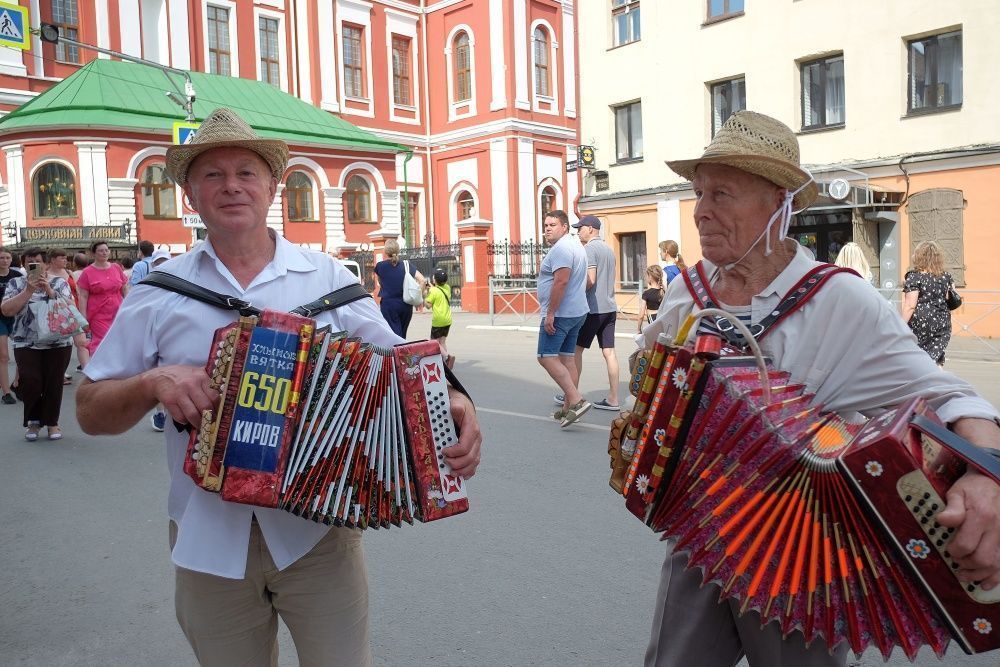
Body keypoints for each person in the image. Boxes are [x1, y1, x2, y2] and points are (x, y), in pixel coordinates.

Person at [76, 107, 481, 666]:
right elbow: (89, 410)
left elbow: (404, 365)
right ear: (190, 194)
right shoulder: (159, 291)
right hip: (207, 537)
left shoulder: (328, 279)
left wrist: (455, 400)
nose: (232, 186)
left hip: (319, 533)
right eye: (213, 175)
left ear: (272, 187)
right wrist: (152, 382)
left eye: (246, 172)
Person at [637, 110, 1000, 667]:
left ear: (778, 204)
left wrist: (986, 471)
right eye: (699, 192)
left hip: (798, 552)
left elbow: (949, 395)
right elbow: (651, 372)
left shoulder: (838, 300)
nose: (701, 211)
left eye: (722, 194)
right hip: (700, 527)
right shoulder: (688, 291)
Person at [1, 247, 75, 441]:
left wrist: (49, 290)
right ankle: (33, 421)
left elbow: (70, 307)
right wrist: (28, 291)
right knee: (31, 382)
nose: (33, 265)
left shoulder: (59, 282)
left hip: (58, 341)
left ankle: (52, 423)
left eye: (38, 262)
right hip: (26, 341)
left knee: (53, 383)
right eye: (29, 262)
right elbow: (6, 310)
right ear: (24, 264)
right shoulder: (16, 283)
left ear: (46, 264)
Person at [536, 210, 591, 427]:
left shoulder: (561, 249)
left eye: (553, 225)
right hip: (577, 311)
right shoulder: (576, 245)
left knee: (545, 357)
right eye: (546, 225)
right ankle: (569, 410)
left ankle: (576, 400)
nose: (547, 229)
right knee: (567, 359)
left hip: (561, 313)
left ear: (565, 227)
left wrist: (550, 313)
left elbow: (561, 281)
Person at [565, 215, 620, 411]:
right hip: (610, 308)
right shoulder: (608, 249)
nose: (578, 232)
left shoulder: (589, 249)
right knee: (609, 352)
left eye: (580, 228)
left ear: (590, 229)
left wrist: (573, 292)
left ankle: (572, 395)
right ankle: (613, 398)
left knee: (575, 351)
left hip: (593, 309)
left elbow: (590, 280)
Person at [902, 240, 955, 366]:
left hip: (921, 323)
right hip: (942, 322)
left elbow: (910, 305)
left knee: (917, 358)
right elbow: (951, 297)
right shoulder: (946, 276)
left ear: (918, 256)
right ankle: (938, 378)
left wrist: (900, 325)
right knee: (936, 359)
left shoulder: (914, 276)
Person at [77, 240, 128, 356]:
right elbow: (83, 296)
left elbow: (124, 288)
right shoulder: (87, 272)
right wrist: (83, 318)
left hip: (117, 311)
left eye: (106, 250)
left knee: (118, 340)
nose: (104, 253)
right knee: (103, 341)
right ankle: (100, 364)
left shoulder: (116, 267)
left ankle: (114, 364)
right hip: (98, 313)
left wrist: (129, 305)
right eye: (101, 251)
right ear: (93, 254)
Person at [46, 247, 90, 381]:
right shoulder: (46, 274)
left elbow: (78, 291)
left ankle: (88, 373)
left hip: (74, 310)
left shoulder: (69, 272)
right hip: (57, 312)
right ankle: (59, 373)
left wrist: (81, 310)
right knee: (59, 345)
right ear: (52, 260)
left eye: (66, 258)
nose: (65, 260)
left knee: (81, 342)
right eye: (62, 258)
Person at [146, 247, 174, 432]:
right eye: (158, 262)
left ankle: (169, 411)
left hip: (172, 334)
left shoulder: (180, 282)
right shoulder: (149, 284)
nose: (162, 265)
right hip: (155, 334)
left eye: (165, 262)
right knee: (159, 374)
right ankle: (161, 413)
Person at [373, 238, 425, 337]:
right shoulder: (406, 265)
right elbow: (422, 280)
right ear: (398, 250)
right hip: (406, 304)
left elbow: (379, 281)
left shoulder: (380, 266)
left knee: (394, 336)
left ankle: (399, 347)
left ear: (385, 251)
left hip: (389, 305)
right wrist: (418, 298)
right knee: (402, 335)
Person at [0, 248, 23, 404]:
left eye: (7, 258)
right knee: (3, 356)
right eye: (2, 258)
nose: (5, 261)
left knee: (22, 353)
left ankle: (16, 383)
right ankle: (6, 392)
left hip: (15, 317)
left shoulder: (17, 275)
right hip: (0, 318)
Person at [423, 267, 455, 368]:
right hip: (447, 320)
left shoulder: (433, 291)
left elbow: (428, 306)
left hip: (438, 321)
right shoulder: (447, 287)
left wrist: (425, 296)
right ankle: (445, 364)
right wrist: (432, 287)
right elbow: (439, 289)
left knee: (434, 343)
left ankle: (447, 357)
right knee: (442, 341)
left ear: (435, 280)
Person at [637, 264, 665, 333]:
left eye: (647, 276)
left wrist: (638, 329)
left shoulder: (646, 293)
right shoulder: (664, 291)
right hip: (663, 319)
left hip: (653, 320)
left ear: (650, 277)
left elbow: (641, 315)